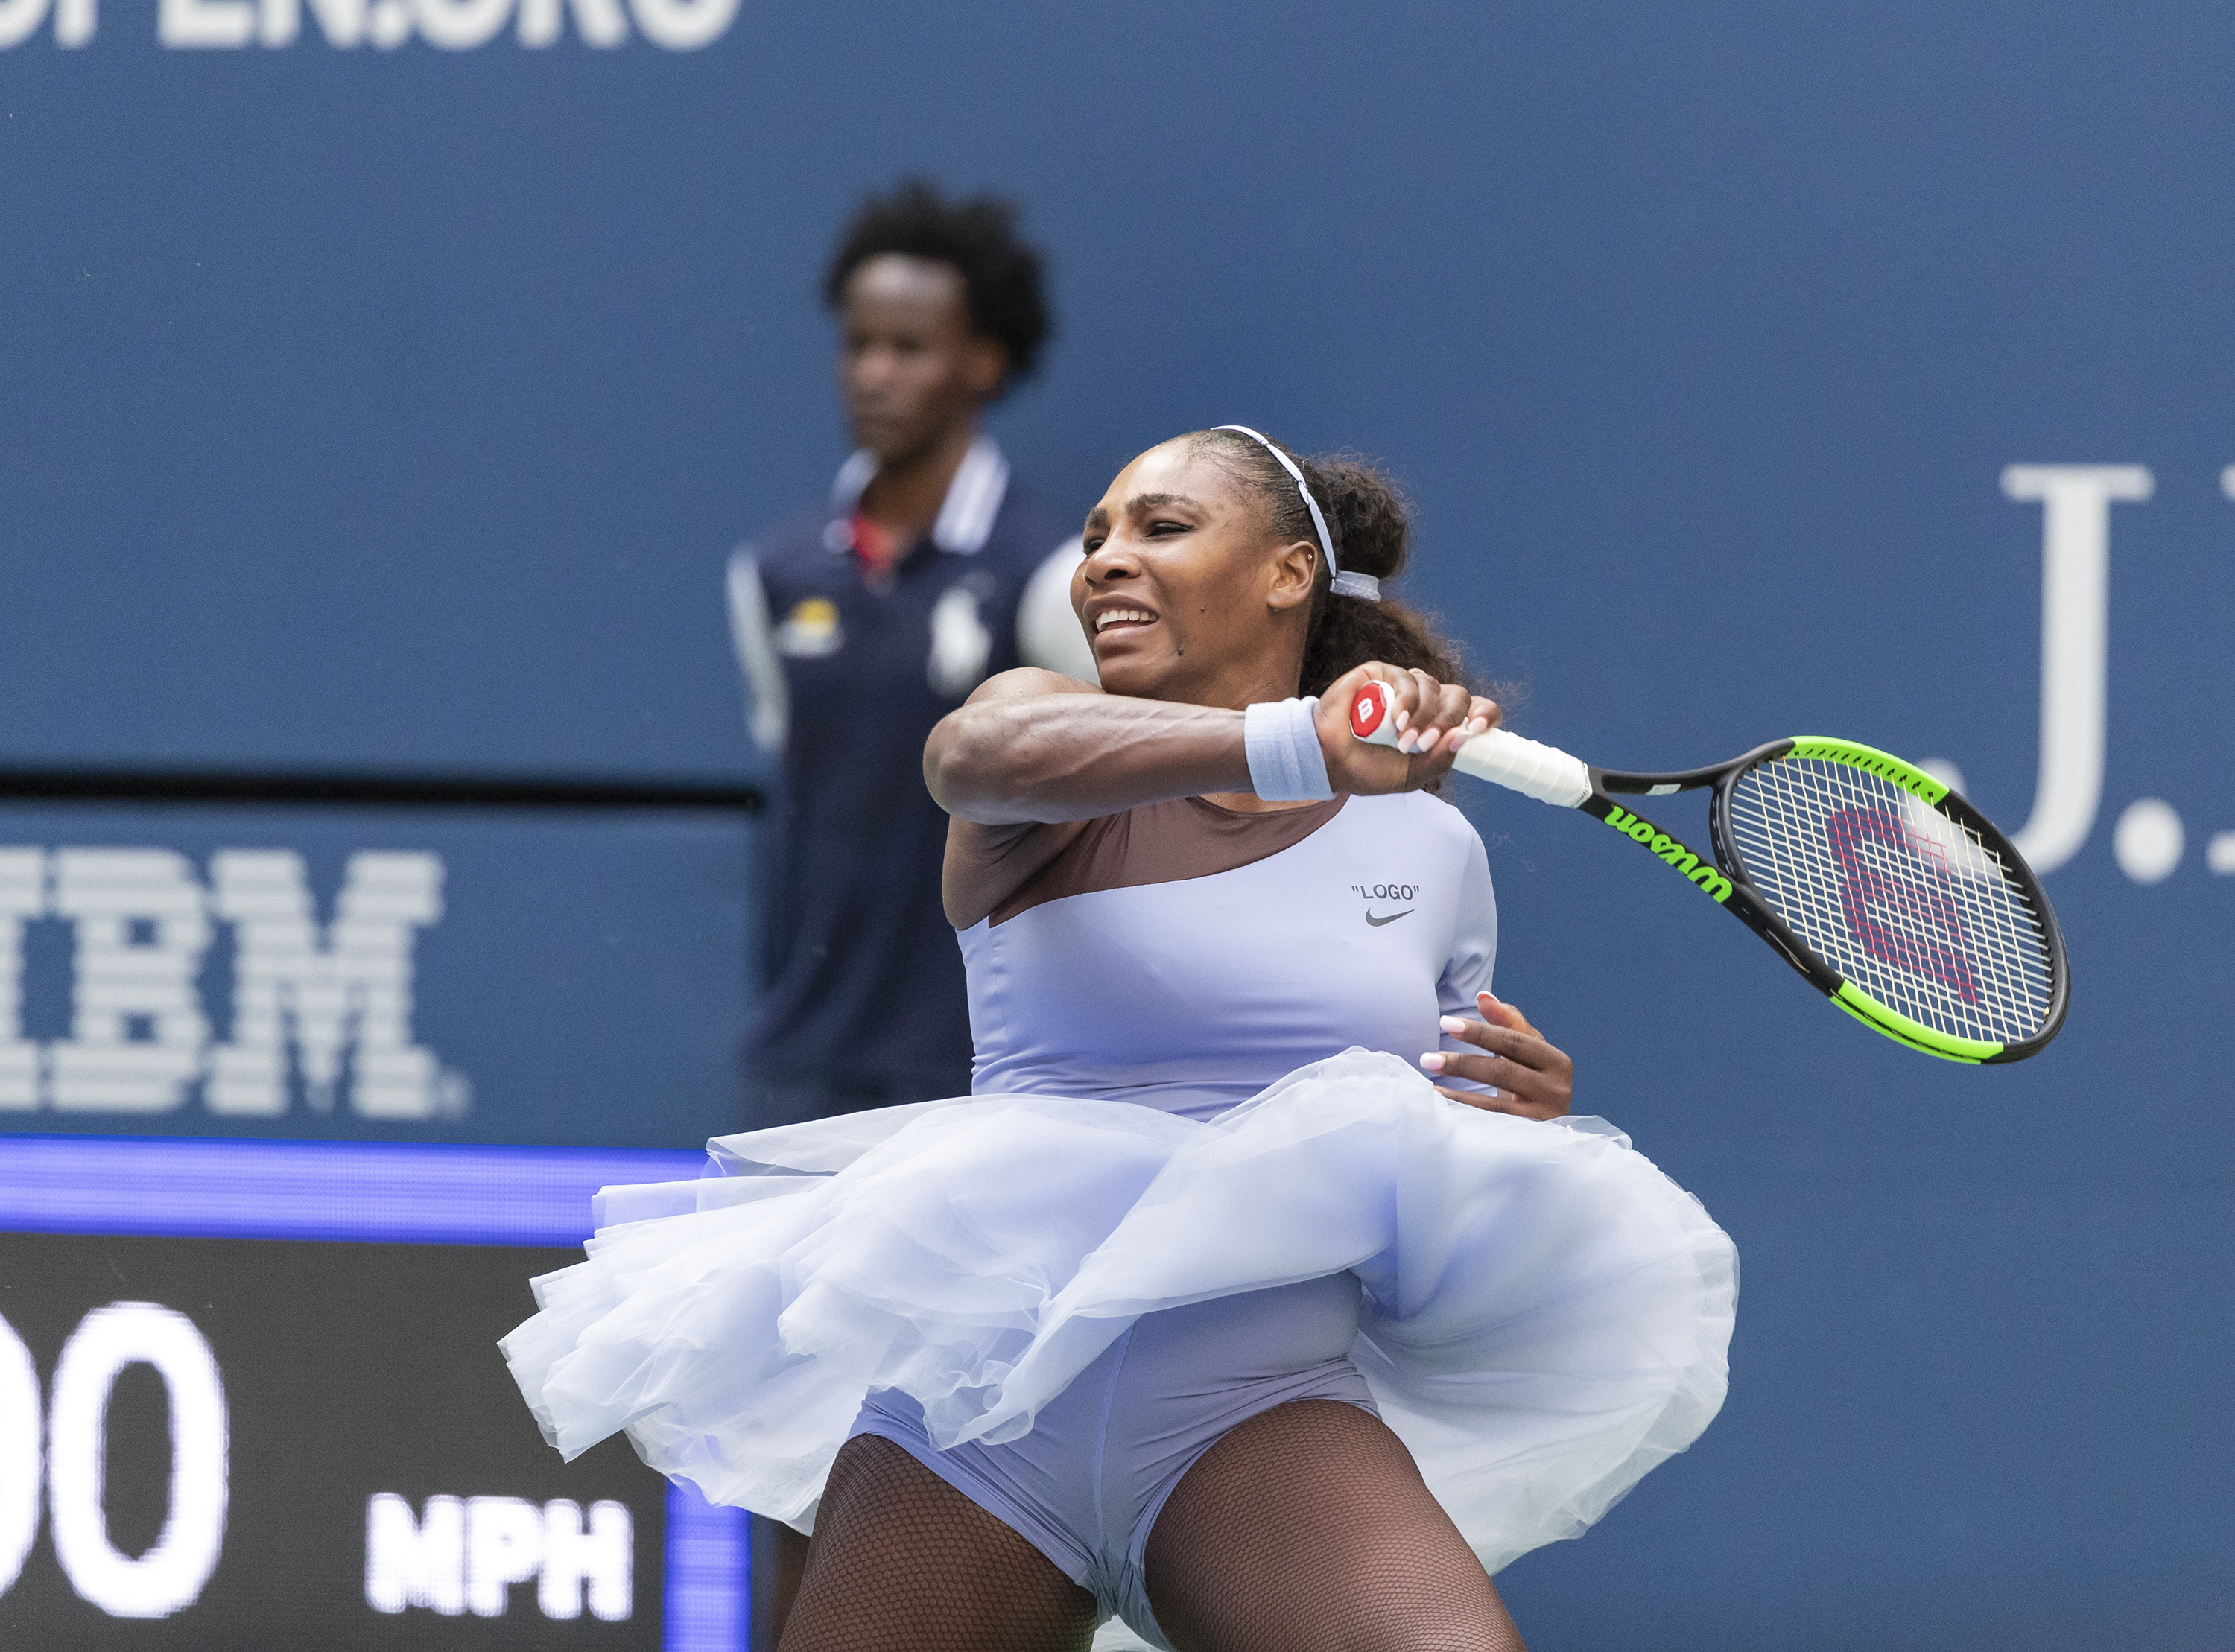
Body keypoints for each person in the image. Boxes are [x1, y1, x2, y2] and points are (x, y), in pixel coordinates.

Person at [509, 427, 1737, 1651]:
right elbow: (969, 758)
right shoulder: (1036, 733)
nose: (1102, 560)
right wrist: (1298, 740)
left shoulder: (1432, 847)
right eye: (1095, 536)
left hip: (1258, 1417)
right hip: (977, 1420)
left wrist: (1514, 1118)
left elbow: (1425, 1127)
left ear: (1289, 572)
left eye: (1162, 526)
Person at [727, 177, 1096, 1131]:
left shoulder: (1049, 573)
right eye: (858, 345)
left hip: (984, 1065)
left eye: (909, 347)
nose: (874, 374)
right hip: (801, 1059)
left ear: (984, 363)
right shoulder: (772, 571)